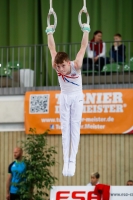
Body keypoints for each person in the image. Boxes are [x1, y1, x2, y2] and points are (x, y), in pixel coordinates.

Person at [46, 23, 90, 176]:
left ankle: (73, 160)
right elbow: (52, 48)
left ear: (67, 62)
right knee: (65, 128)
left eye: (62, 66)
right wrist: (49, 32)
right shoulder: (56, 64)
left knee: (74, 127)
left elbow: (83, 47)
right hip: (64, 96)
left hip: (77, 96)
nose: (60, 69)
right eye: (58, 67)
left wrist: (86, 30)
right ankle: (66, 161)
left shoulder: (76, 65)